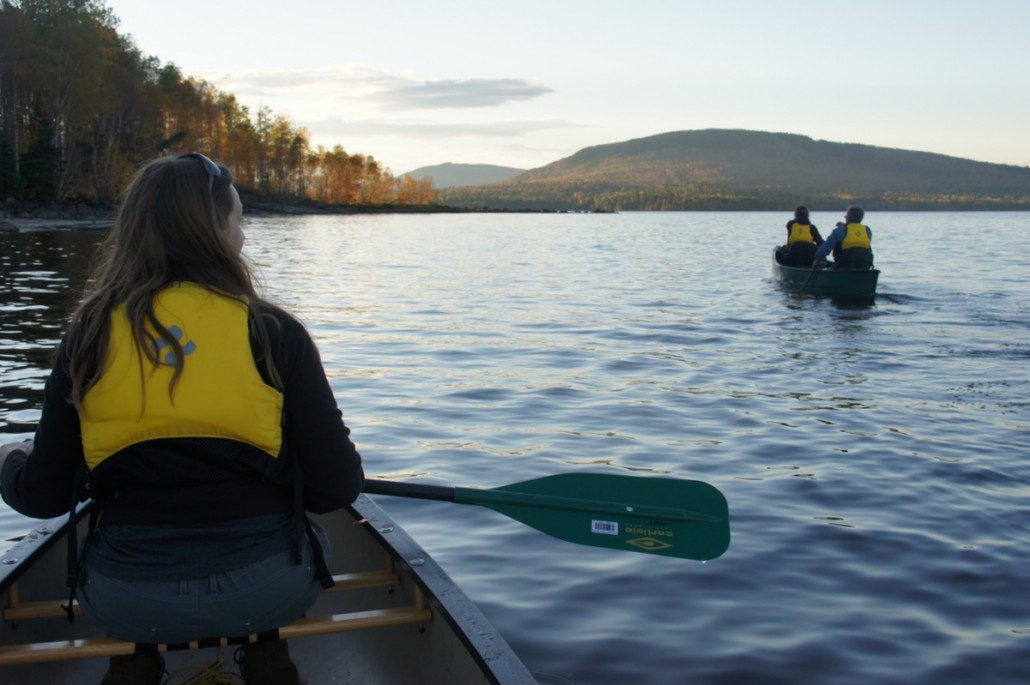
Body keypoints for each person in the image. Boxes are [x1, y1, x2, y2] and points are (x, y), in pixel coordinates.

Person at [0, 152, 364, 685]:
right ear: (215, 230)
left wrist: (10, 465)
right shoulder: (273, 332)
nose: (242, 235)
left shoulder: (89, 334)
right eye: (237, 220)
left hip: (126, 599)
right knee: (305, 539)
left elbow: (45, 497)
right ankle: (265, 653)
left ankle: (136, 661)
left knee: (125, 559)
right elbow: (337, 489)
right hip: (264, 592)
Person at [813, 205, 874, 270]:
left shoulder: (839, 231)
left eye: (846, 215)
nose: (845, 216)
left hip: (844, 267)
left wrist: (818, 260)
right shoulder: (867, 230)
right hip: (864, 267)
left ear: (848, 217)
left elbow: (823, 251)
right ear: (861, 218)